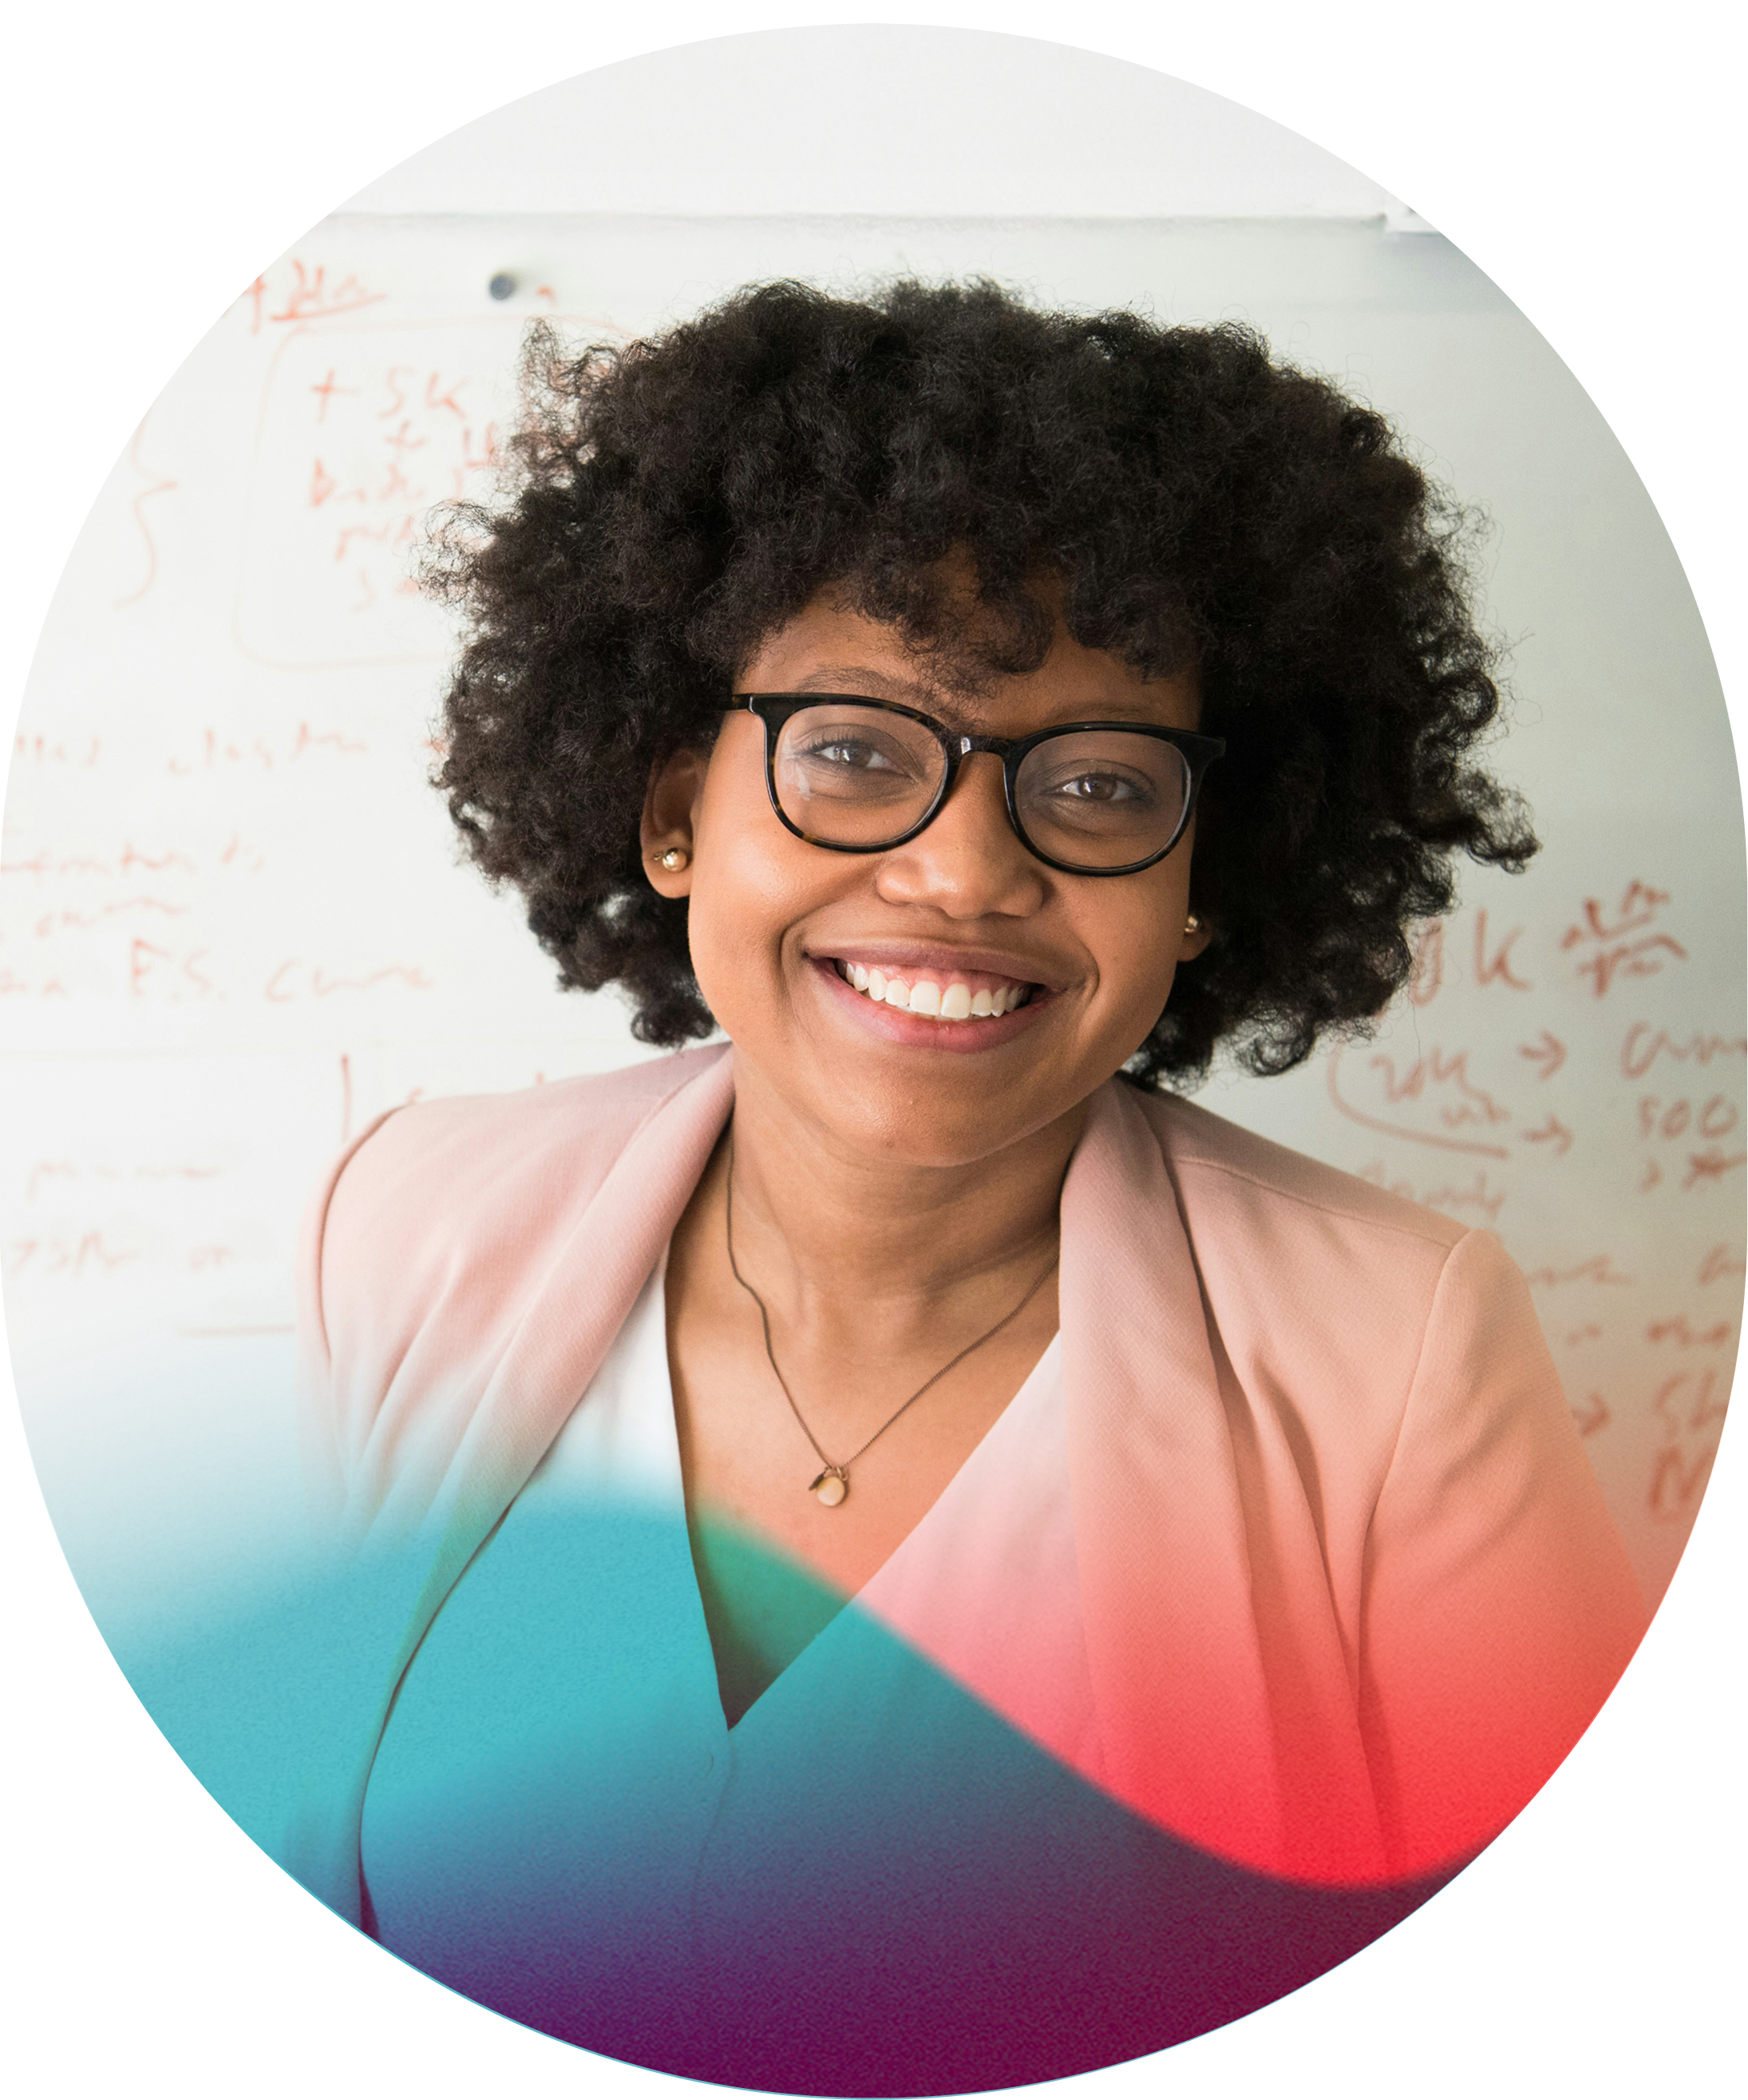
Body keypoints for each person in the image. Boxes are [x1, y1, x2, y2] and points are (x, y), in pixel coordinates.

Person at [290, 279, 1644, 2092]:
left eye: (1093, 785)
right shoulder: (406, 1225)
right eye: (855, 750)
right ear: (675, 803)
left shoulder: (1399, 1357)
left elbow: (1546, 1999)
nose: (961, 873)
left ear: (1205, 875)